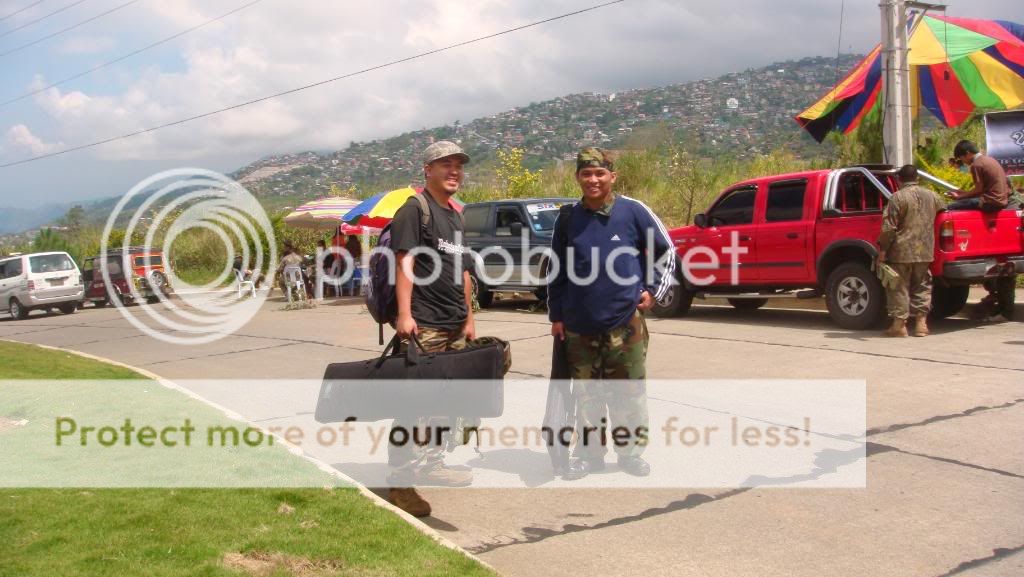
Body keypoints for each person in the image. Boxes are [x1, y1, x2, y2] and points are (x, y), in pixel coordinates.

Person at [548, 147, 675, 480]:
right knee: (587, 395)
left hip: (625, 322)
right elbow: (557, 271)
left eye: (599, 173)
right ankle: (590, 455)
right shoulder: (567, 218)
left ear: (612, 176)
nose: (593, 179)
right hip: (578, 323)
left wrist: (653, 291)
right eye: (586, 173)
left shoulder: (632, 211)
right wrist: (556, 316)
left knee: (629, 393)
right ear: (577, 177)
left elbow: (667, 251)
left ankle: (630, 453)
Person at [386, 141, 476, 517]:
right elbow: (404, 261)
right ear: (428, 169)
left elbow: (464, 270)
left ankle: (433, 462)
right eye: (445, 165)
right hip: (425, 323)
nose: (453, 171)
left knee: (445, 403)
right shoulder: (414, 210)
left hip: (455, 322)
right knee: (414, 403)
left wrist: (469, 317)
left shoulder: (456, 215)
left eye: (457, 165)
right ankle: (400, 482)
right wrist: (404, 314)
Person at [877, 165, 944, 337]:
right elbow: (943, 210)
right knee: (922, 285)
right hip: (925, 250)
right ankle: (921, 325)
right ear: (917, 178)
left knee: (899, 287)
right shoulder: (932, 196)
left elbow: (889, 227)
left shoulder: (897, 198)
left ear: (899, 180)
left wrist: (883, 250)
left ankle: (899, 325)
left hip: (901, 251)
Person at [947, 140, 1010, 211]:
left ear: (968, 153)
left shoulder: (977, 165)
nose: (963, 162)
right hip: (1002, 201)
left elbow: (978, 190)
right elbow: (982, 189)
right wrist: (964, 193)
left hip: (990, 203)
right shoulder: (990, 159)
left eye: (961, 158)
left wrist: (960, 197)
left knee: (951, 206)